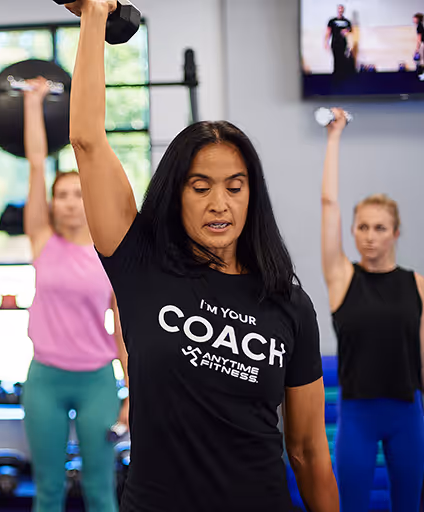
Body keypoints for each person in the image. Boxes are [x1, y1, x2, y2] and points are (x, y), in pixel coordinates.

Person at [62, 1, 340, 510]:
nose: (220, 203)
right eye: (201, 186)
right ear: (177, 194)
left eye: (235, 187)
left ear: (251, 195)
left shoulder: (289, 304)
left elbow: (306, 449)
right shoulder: (140, 264)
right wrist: (95, 15)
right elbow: (87, 141)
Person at [19, 77, 129, 512]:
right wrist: (33, 105)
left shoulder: (109, 254)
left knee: (101, 489)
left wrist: (131, 395)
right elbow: (34, 165)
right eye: (60, 195)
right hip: (44, 378)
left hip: (97, 381)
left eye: (77, 194)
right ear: (50, 203)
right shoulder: (41, 239)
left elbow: (124, 331)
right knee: (47, 490)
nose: (68, 202)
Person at [319, 109, 424, 512]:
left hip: (407, 415)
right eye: (362, 227)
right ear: (352, 231)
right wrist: (334, 137)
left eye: (380, 228)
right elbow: (329, 204)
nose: (370, 236)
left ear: (396, 233)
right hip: (358, 416)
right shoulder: (342, 278)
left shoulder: (416, 286)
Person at [325, 4, 353, 78]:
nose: (340, 10)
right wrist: (326, 42)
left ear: (343, 10)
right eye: (339, 9)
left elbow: (350, 32)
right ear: (337, 10)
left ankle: (342, 75)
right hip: (335, 42)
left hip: (343, 43)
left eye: (342, 9)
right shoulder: (332, 21)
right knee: (336, 58)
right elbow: (328, 32)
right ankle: (336, 75)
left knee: (342, 58)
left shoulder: (347, 21)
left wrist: (346, 31)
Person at [414, 13, 423, 77]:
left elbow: (419, 38)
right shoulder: (421, 25)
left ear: (418, 19)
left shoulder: (419, 26)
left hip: (422, 44)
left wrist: (417, 48)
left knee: (421, 60)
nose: (413, 20)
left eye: (414, 18)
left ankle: (422, 74)